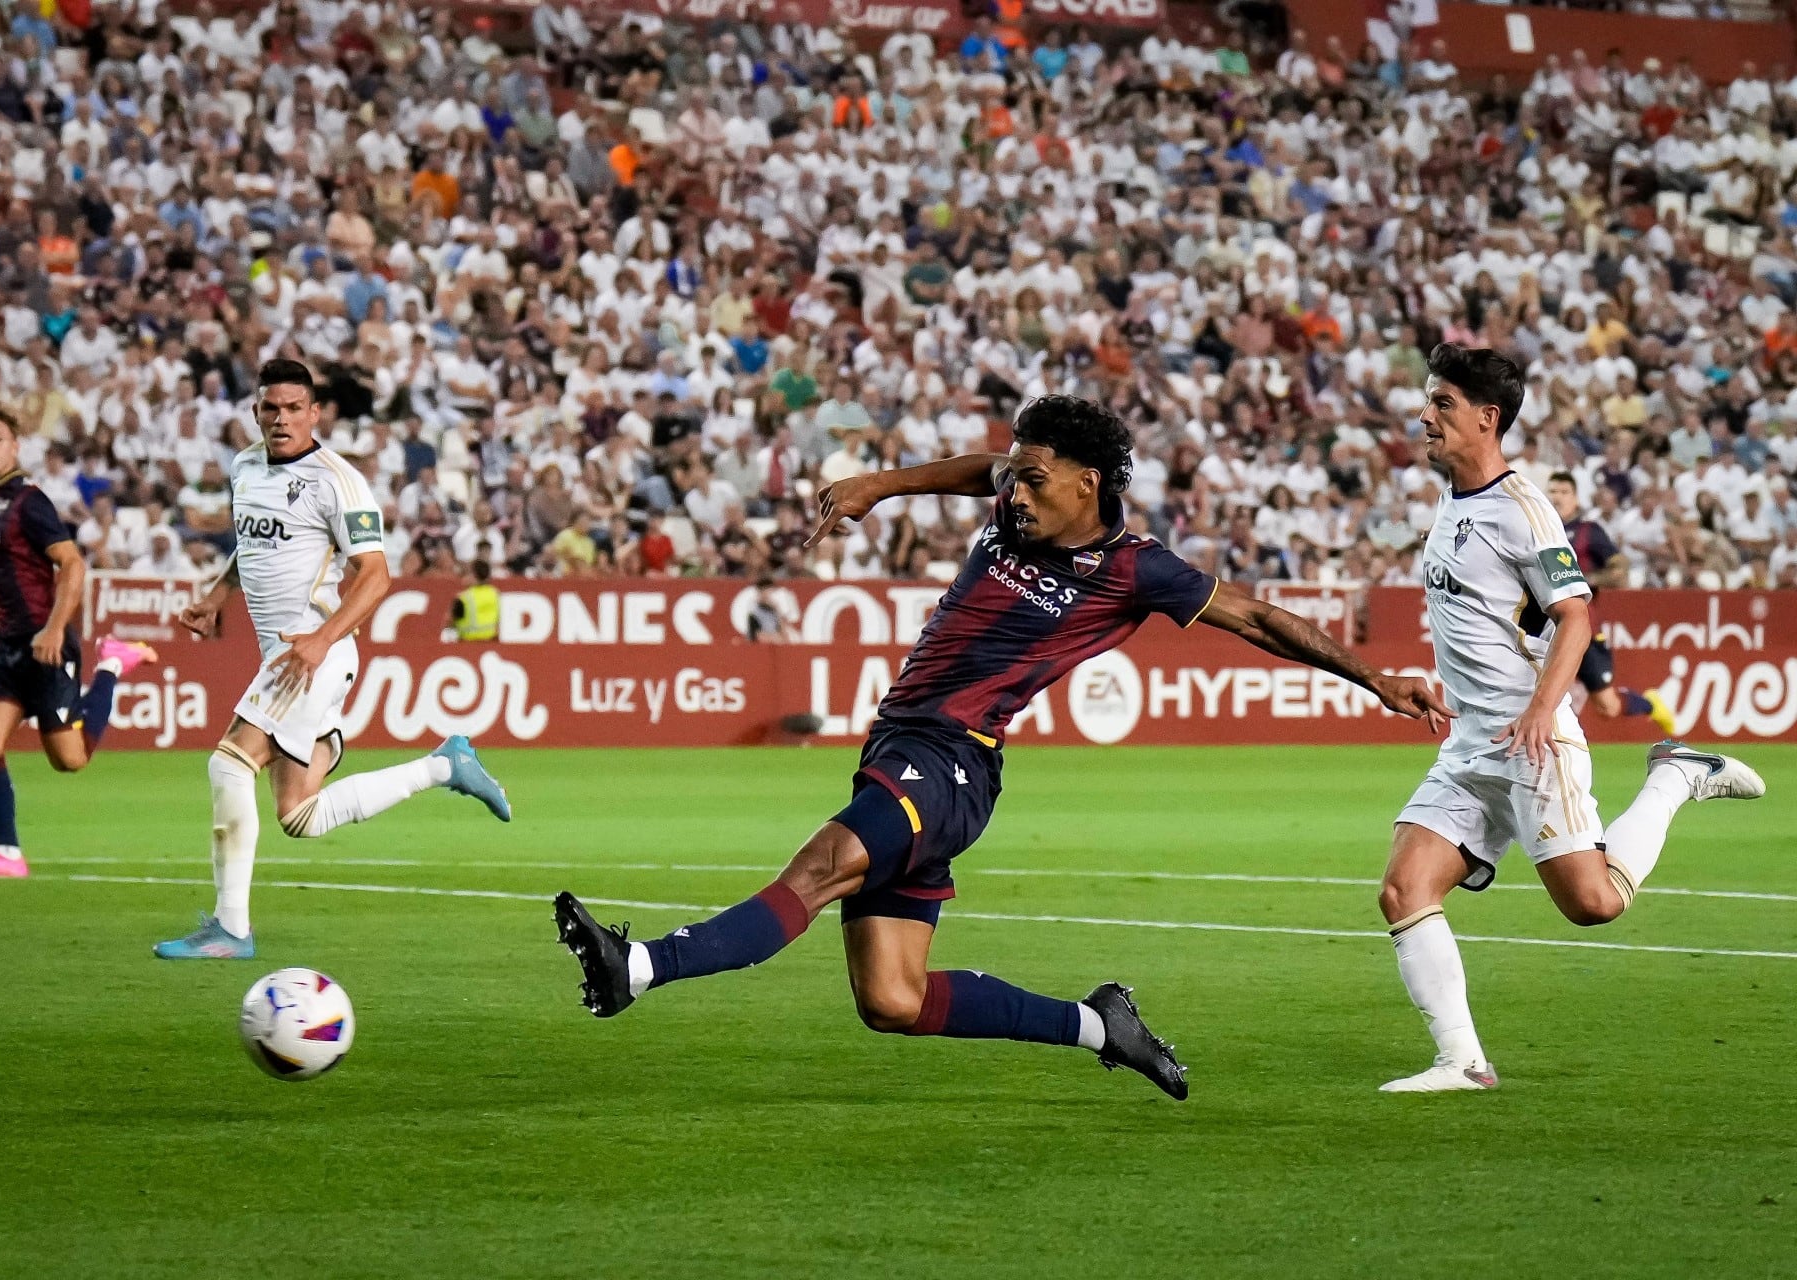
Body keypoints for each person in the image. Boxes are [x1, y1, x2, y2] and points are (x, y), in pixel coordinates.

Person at [554, 395, 1450, 1096]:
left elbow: (1255, 617)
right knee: (892, 1001)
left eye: (1032, 481)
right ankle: (1102, 1026)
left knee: (822, 865)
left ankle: (638, 966)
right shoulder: (1018, 495)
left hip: (952, 760)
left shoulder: (1134, 568)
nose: (1012, 494)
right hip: (903, 742)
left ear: (1088, 484)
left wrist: (1375, 679)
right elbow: (979, 466)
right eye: (1013, 479)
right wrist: (881, 484)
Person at [1380, 346, 1764, 1093]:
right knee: (1403, 890)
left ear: (1486, 419)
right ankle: (1463, 1061)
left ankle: (1679, 776)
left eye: (1443, 404)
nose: (1425, 415)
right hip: (1470, 740)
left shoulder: (1522, 509)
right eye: (1429, 401)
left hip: (1529, 739)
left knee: (1594, 904)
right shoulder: (1455, 498)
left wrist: (1540, 709)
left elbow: (1576, 617)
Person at [154, 361, 513, 960]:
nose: (281, 418)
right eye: (271, 407)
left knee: (229, 764)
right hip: (287, 657)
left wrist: (321, 640)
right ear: (256, 412)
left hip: (311, 655)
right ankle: (445, 767)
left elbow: (376, 577)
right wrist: (218, 595)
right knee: (299, 815)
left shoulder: (337, 481)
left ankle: (230, 930)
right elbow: (254, 543)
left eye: (295, 408)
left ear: (315, 413)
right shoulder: (245, 467)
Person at [0, 407, 160, 877]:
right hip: (8, 647)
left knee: (69, 759)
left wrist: (56, 628)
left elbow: (71, 563)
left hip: (47, 644)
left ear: (15, 446)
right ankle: (7, 854)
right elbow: (14, 570)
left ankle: (112, 666)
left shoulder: (28, 501)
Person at [1544, 471, 1677, 734]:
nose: (1557, 497)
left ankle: (1649, 704)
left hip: (1584, 627)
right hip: (1546, 627)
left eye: (1563, 492)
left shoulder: (1587, 531)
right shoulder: (1539, 531)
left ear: (1576, 500)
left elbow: (1620, 569)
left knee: (1607, 706)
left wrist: (1582, 580)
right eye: (1552, 491)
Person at [452, 558, 500, 641]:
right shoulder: (494, 593)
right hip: (490, 642)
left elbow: (452, 621)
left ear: (474, 576)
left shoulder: (464, 598)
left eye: (467, 573)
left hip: (468, 643)